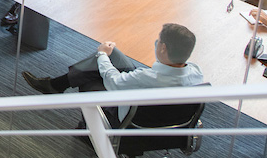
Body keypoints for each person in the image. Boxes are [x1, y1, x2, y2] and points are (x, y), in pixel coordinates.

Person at [22, 23, 204, 125]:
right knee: (114, 55)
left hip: (129, 118)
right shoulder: (196, 73)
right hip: (162, 114)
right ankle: (56, 85)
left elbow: (113, 82)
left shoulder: (148, 78)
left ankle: (90, 131)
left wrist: (102, 54)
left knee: (89, 79)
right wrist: (107, 57)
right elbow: (142, 79)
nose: (156, 43)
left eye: (159, 41)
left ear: (163, 48)